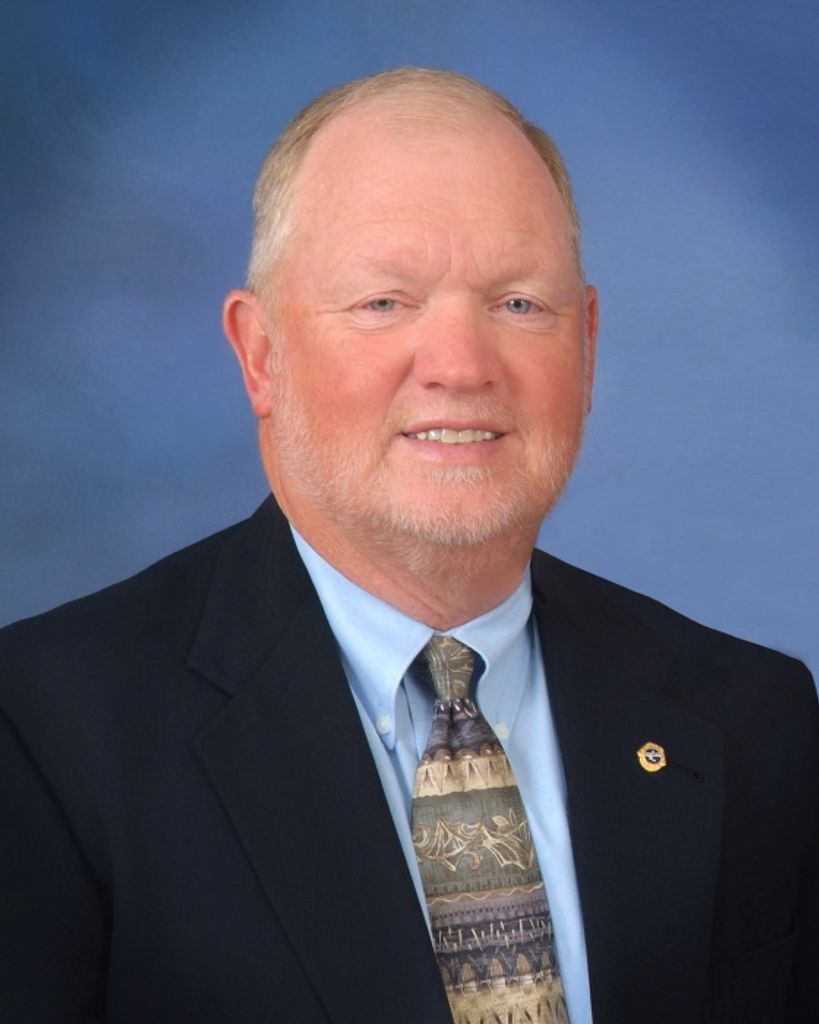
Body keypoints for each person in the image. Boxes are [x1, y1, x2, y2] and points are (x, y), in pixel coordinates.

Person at [0, 68, 816, 1024]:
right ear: (260, 354)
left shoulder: (751, 720)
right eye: (385, 301)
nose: (460, 367)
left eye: (519, 304)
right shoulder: (43, 732)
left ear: (587, 346)